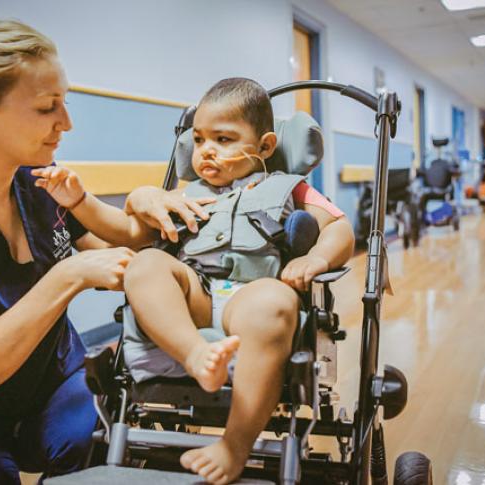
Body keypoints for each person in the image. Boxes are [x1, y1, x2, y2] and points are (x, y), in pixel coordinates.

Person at [0, 20, 206, 483]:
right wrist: (67, 276)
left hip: (54, 388)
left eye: (64, 103)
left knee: (101, 450)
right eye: (46, 107)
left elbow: (119, 247)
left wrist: (144, 201)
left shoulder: (40, 185)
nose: (66, 122)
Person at [33, 78, 355, 484]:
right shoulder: (185, 196)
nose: (206, 151)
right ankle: (195, 355)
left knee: (274, 301)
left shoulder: (290, 188)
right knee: (146, 263)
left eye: (223, 139)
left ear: (266, 147)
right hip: (197, 295)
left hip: (251, 296)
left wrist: (315, 259)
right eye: (200, 139)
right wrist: (81, 202)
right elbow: (125, 231)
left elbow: (340, 230)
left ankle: (234, 446)